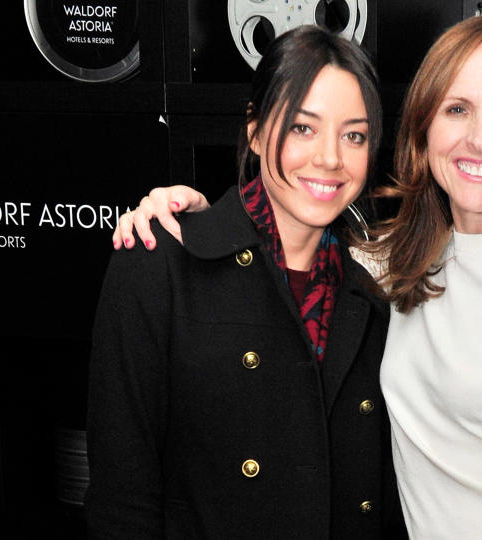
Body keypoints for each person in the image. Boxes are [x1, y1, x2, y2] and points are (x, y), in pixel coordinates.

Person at [114, 14, 482, 539]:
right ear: (424, 128)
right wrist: (183, 214)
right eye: (457, 109)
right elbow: (288, 242)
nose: (479, 138)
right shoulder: (391, 266)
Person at [87, 25, 405, 539]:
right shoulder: (160, 263)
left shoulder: (373, 291)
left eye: (355, 135)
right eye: (303, 127)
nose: (330, 157)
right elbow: (121, 494)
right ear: (255, 130)